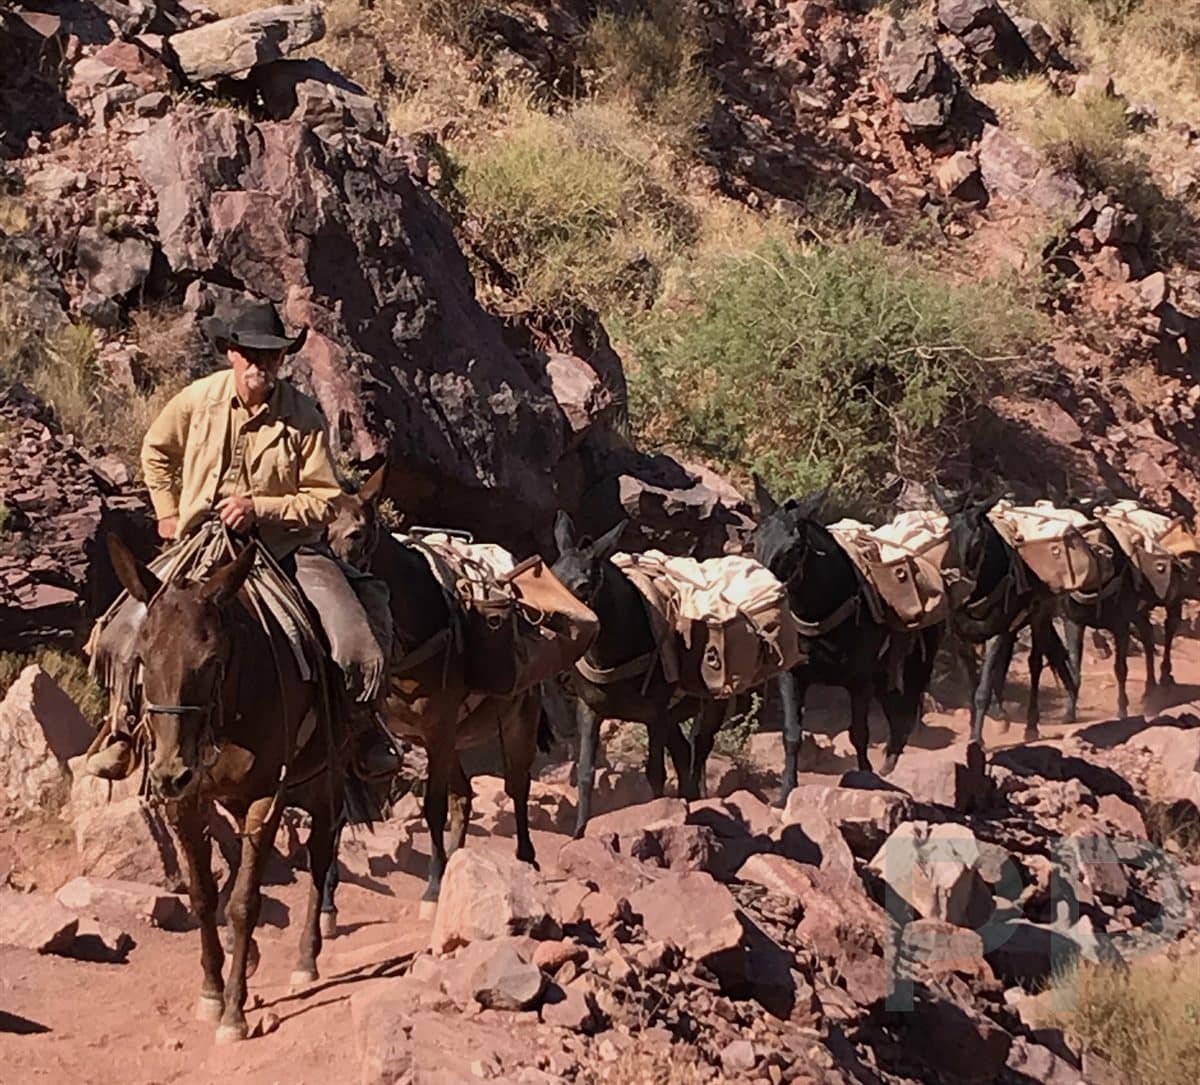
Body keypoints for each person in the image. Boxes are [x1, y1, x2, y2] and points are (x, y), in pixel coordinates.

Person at [86, 300, 399, 780]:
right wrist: (168, 512)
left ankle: (362, 730)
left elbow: (324, 499)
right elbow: (156, 450)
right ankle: (123, 730)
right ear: (230, 352)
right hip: (199, 546)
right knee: (122, 633)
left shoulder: (303, 416)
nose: (260, 364)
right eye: (250, 353)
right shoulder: (198, 399)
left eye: (271, 356)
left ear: (281, 361)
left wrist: (260, 507)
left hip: (284, 547)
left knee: (354, 637)